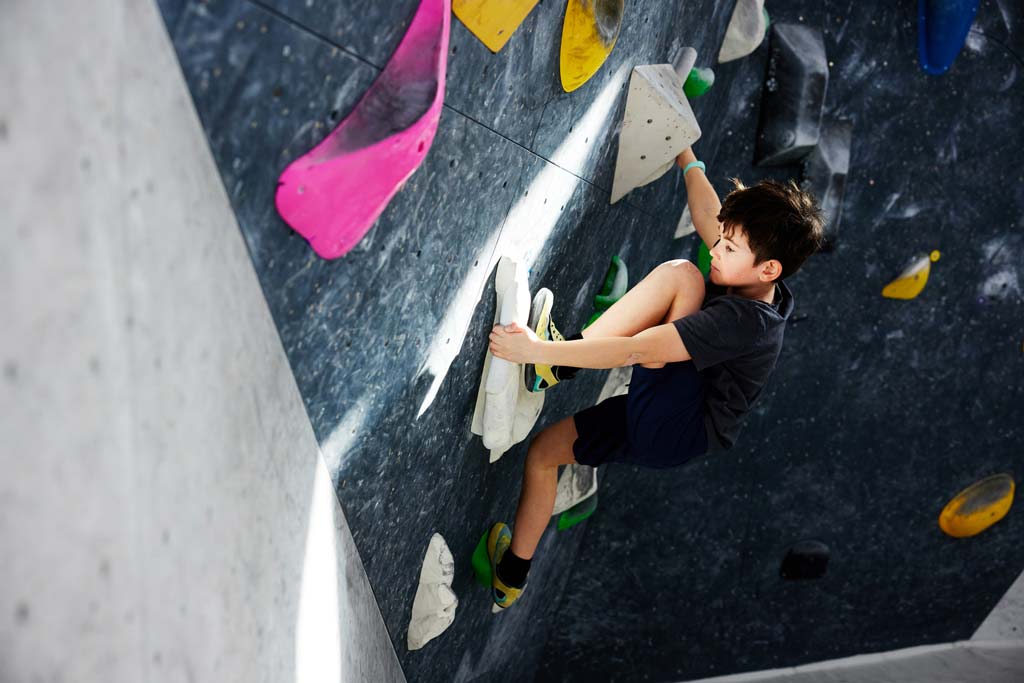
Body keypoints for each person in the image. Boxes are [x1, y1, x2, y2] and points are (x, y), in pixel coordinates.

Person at [483, 147, 825, 610]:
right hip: (675, 434)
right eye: (723, 239)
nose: (716, 248)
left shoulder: (744, 322)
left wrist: (537, 350)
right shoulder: (759, 279)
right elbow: (709, 215)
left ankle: (552, 367)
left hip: (677, 420)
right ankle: (509, 580)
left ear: (768, 268)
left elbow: (638, 349)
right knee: (544, 453)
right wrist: (688, 157)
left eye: (728, 247)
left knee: (684, 276)